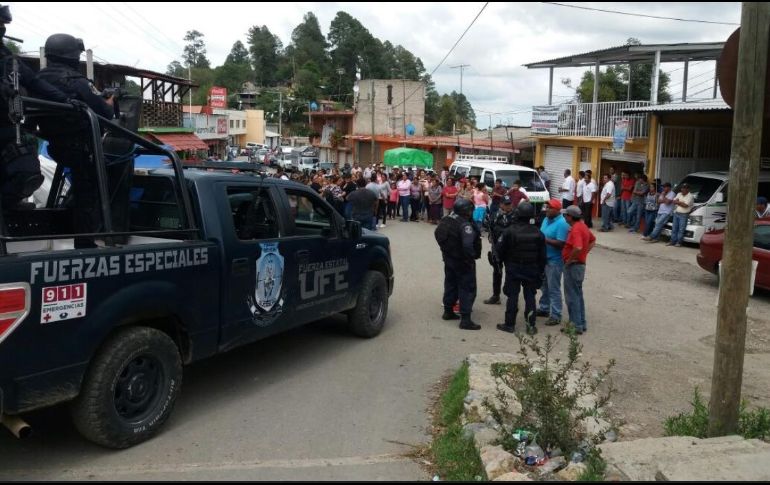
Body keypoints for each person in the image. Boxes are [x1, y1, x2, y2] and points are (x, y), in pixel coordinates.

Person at [36, 33, 119, 248]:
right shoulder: (77, 82)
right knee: (89, 192)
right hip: (78, 149)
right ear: (72, 57)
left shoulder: (37, 80)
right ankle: (85, 241)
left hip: (54, 146)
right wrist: (110, 99)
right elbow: (105, 113)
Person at [0, 5, 70, 209]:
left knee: (26, 173)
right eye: (1, 24)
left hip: (6, 128)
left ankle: (7, 207)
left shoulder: (7, 59)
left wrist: (67, 100)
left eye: (4, 25)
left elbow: (35, 82)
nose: (3, 28)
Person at [495, 201, 546, 335]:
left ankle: (509, 324)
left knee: (512, 296)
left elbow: (499, 251)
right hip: (531, 268)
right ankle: (530, 326)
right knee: (530, 297)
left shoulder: (509, 231)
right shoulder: (538, 233)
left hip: (514, 268)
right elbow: (543, 256)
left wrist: (501, 262)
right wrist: (540, 272)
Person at [435, 198, 482, 330]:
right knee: (467, 288)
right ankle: (465, 319)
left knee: (450, 284)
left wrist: (447, 250)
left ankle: (448, 311)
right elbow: (467, 245)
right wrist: (470, 257)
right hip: (462, 261)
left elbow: (438, 234)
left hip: (449, 259)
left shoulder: (447, 219)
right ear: (466, 211)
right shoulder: (465, 225)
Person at [560, 205, 595, 335]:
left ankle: (576, 325)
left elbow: (578, 247)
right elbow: (592, 240)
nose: (564, 217)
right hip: (579, 265)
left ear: (570, 216)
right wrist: (583, 255)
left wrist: (569, 261)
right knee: (578, 295)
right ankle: (580, 323)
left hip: (574, 266)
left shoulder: (575, 229)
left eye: (566, 215)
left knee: (572, 297)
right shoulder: (583, 226)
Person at [536, 199, 570, 327]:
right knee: (544, 286)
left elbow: (561, 244)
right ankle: (544, 308)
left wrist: (545, 239)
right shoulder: (546, 219)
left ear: (557, 210)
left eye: (549, 207)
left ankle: (556, 315)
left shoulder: (562, 224)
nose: (546, 209)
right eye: (546, 207)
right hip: (544, 258)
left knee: (553, 288)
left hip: (555, 261)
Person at [483, 195, 515, 305]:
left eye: (509, 204)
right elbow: (490, 227)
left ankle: (511, 295)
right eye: (506, 204)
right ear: (501, 204)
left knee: (511, 272)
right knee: (497, 272)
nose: (508, 206)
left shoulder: (515, 215)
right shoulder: (495, 215)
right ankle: (496, 295)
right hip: (497, 248)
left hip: (510, 249)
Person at [669, 183, 694, 247]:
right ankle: (672, 241)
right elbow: (674, 201)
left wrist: (678, 202)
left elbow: (685, 205)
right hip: (676, 213)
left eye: (684, 188)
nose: (682, 189)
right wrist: (680, 202)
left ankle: (679, 242)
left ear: (688, 189)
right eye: (682, 188)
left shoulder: (690, 196)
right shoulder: (679, 194)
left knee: (681, 229)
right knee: (674, 228)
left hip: (684, 215)